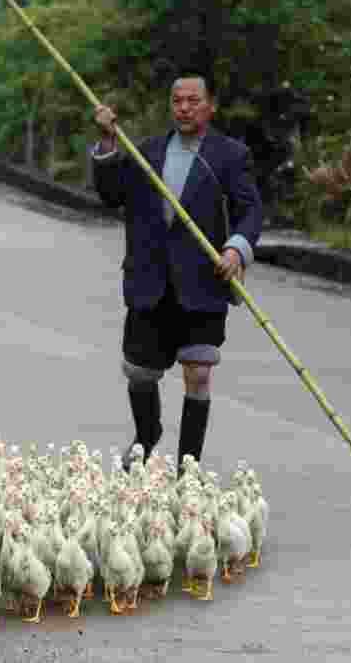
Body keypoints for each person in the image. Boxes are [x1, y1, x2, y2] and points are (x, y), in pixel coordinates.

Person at [90, 70, 263, 475]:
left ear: (210, 106)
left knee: (199, 373)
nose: (183, 108)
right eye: (177, 101)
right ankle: (146, 437)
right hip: (150, 279)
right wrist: (109, 142)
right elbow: (110, 194)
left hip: (203, 282)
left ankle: (188, 467)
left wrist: (237, 248)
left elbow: (250, 211)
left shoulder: (230, 156)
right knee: (140, 373)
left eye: (193, 101)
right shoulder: (147, 151)